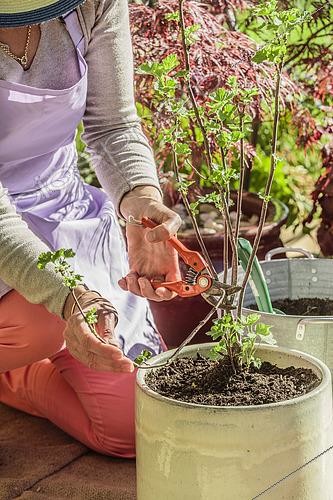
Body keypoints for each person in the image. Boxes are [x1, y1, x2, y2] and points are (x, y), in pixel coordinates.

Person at [0, 0, 181, 457]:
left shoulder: (91, 5)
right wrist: (65, 294)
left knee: (133, 427)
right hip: (5, 234)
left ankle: (16, 374)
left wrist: (140, 202)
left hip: (60, 212)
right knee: (41, 320)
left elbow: (112, 124)